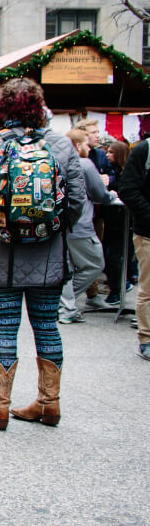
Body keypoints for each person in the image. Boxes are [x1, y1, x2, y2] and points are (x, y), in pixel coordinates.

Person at [0, 78, 85, 430]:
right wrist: (52, 229)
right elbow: (76, 202)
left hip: (2, 260)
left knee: (5, 329)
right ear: (39, 108)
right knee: (47, 326)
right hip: (49, 258)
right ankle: (50, 404)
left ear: (1, 109)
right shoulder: (61, 146)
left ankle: (0, 408)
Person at [57, 130, 117, 324]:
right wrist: (112, 196)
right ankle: (64, 302)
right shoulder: (85, 164)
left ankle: (67, 307)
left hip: (59, 224)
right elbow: (100, 193)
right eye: (86, 144)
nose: (89, 148)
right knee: (95, 263)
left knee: (67, 266)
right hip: (80, 224)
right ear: (77, 146)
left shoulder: (55, 163)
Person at [117, 134, 150, 360]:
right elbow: (127, 189)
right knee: (148, 289)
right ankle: (147, 338)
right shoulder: (144, 150)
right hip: (148, 233)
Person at [102, 140, 133, 306]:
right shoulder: (111, 171)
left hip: (121, 222)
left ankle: (119, 288)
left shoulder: (125, 173)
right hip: (112, 220)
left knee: (115, 256)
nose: (107, 155)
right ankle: (119, 286)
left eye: (111, 152)